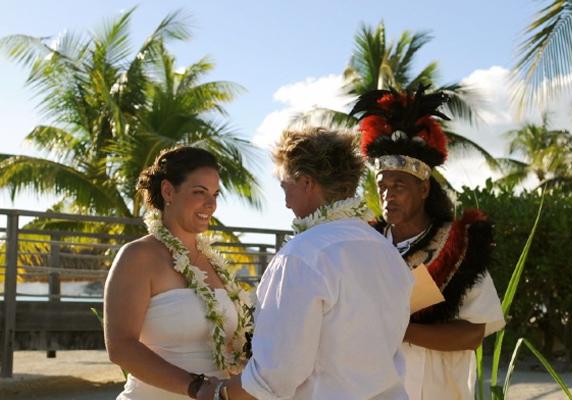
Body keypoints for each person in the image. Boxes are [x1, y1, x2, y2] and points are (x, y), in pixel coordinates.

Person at [196, 127, 415, 400]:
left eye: (284, 185)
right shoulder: (387, 252)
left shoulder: (301, 255)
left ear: (307, 183)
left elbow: (278, 373)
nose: (285, 202)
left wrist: (219, 393)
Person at [350, 85, 506, 400]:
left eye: (399, 185)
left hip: (437, 390)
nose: (388, 194)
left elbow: (474, 333)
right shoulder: (362, 244)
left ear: (423, 189)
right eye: (382, 185)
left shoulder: (457, 246)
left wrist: (399, 329)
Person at [103, 145, 253, 400]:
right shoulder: (138, 256)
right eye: (199, 192)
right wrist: (197, 387)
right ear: (168, 190)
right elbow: (121, 347)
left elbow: (224, 346)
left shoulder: (214, 264)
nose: (211, 204)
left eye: (215, 194)